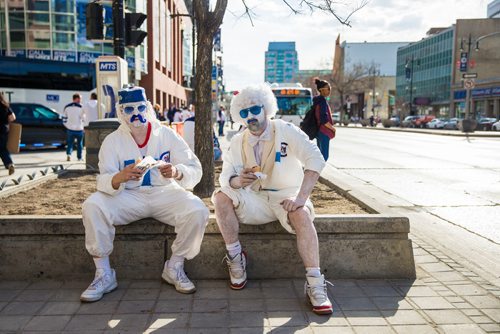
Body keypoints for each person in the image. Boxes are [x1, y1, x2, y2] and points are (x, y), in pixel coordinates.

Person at [211, 84, 333, 315]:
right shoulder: (238, 141)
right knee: (220, 197)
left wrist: (300, 198)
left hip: (286, 196)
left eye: (255, 110)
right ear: (239, 116)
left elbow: (315, 159)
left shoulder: (286, 130)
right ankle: (236, 258)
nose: (251, 117)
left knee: (302, 213)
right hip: (253, 199)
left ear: (266, 108)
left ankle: (315, 283)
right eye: (245, 113)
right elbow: (226, 177)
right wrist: (239, 181)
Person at [80, 86, 209, 302]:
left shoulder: (166, 134)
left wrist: (177, 172)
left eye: (140, 107)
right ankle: (103, 274)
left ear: (148, 107)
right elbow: (103, 180)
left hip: (164, 193)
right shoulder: (112, 141)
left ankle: (175, 266)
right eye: (129, 109)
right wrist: (119, 177)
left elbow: (194, 167)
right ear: (121, 112)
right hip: (127, 197)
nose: (135, 113)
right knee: (93, 205)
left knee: (197, 210)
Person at [313, 78, 336, 161]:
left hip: (318, 130)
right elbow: (324, 119)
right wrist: (332, 128)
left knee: (319, 154)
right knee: (324, 156)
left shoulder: (316, 100)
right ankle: (314, 172)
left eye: (330, 88)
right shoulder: (322, 101)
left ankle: (314, 172)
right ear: (321, 90)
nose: (330, 90)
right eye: (328, 88)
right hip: (324, 131)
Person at [62, 93, 86, 161]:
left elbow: (64, 118)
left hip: (70, 129)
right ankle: (79, 157)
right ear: (77, 98)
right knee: (79, 144)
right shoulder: (81, 107)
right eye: (80, 98)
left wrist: (67, 126)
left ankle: (69, 154)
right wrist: (84, 126)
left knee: (70, 143)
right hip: (79, 128)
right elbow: (84, 118)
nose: (81, 100)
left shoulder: (67, 106)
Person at [0, 93, 16, 175]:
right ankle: (9, 164)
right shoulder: (5, 106)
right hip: (4, 129)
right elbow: (13, 117)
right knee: (2, 149)